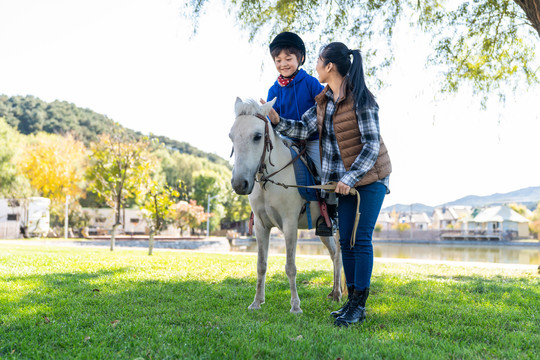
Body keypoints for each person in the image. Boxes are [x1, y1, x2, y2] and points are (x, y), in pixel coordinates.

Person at [265, 42, 392, 327]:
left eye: (319, 61)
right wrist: (276, 119)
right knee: (345, 241)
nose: (317, 66)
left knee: (360, 240)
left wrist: (348, 178)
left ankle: (359, 305)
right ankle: (350, 303)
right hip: (343, 184)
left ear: (329, 66)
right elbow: (302, 129)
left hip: (371, 179)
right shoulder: (324, 101)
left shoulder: (362, 99)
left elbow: (371, 146)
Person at [267, 31, 336, 236]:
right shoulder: (273, 90)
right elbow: (272, 123)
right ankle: (262, 208)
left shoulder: (311, 83)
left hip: (312, 140)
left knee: (326, 173)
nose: (283, 64)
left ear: (301, 59)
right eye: (278, 60)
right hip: (286, 140)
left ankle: (329, 214)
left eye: (288, 59)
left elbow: (321, 113)